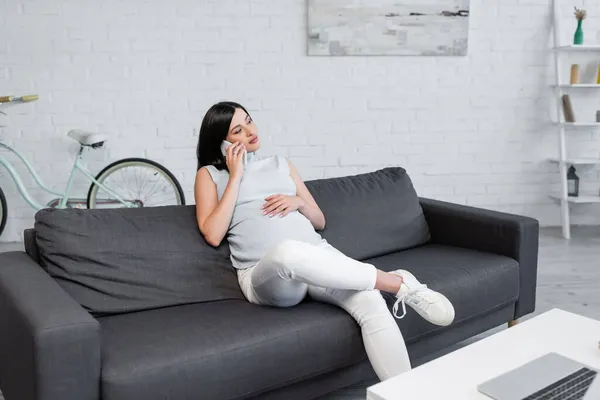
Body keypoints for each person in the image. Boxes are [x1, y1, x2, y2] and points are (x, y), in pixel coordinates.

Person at [194, 101, 455, 381]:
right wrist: (236, 177)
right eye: (237, 130)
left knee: (370, 301)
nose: (250, 131)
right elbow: (213, 233)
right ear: (222, 142)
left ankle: (403, 392)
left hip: (318, 257)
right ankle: (397, 283)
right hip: (266, 274)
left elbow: (319, 220)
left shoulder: (282, 164)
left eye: (249, 120)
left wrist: (297, 202)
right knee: (288, 252)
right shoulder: (210, 175)